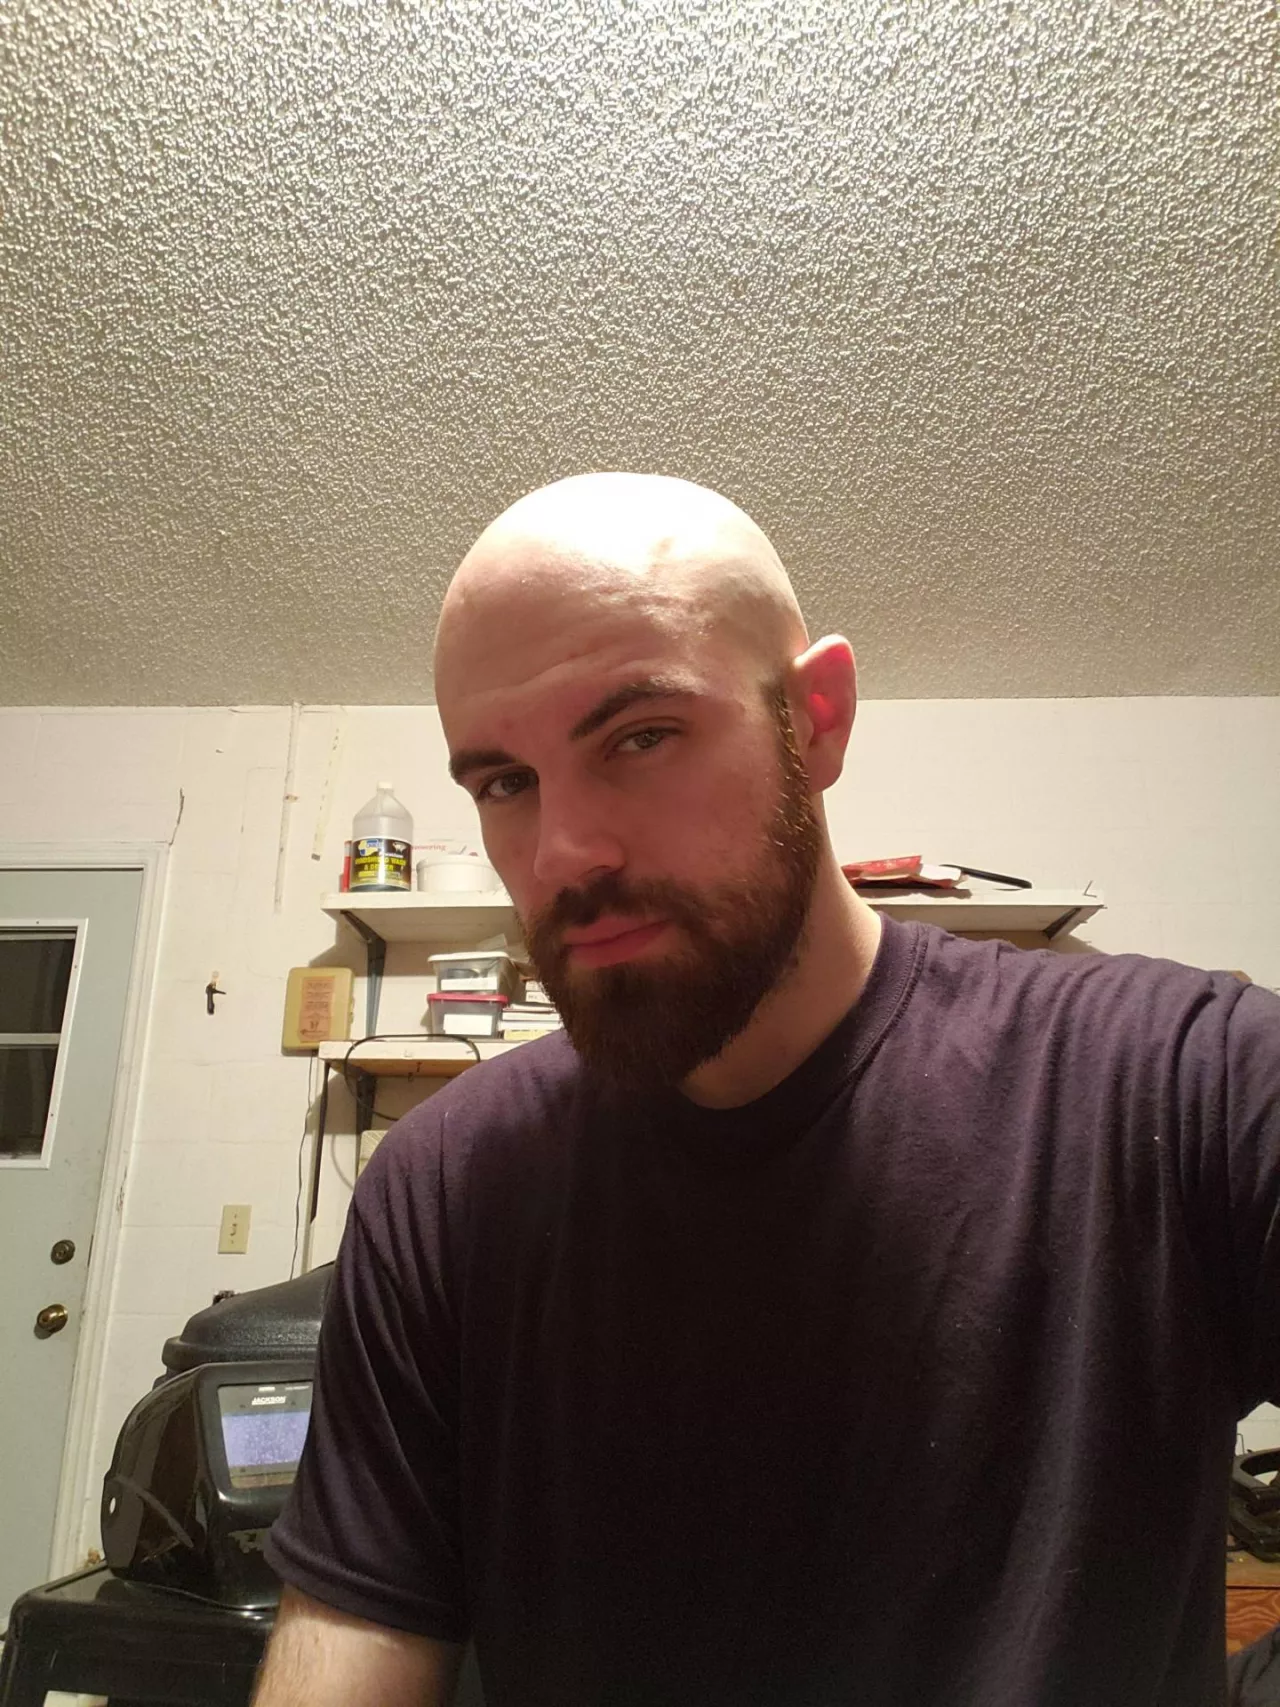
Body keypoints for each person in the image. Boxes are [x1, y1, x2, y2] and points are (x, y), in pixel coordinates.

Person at [257, 474, 1280, 1707]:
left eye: (638, 737)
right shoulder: (440, 1188)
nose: (562, 853)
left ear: (815, 720)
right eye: (503, 784)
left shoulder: (1181, 1082)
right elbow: (355, 1637)